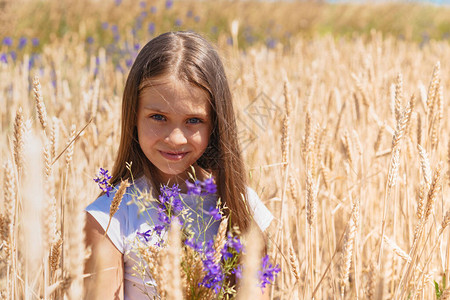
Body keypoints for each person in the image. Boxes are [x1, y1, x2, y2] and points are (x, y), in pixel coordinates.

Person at [84, 31, 274, 300]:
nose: (175, 138)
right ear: (133, 116)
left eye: (193, 120)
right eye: (158, 117)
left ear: (215, 124)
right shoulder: (110, 218)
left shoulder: (243, 206)